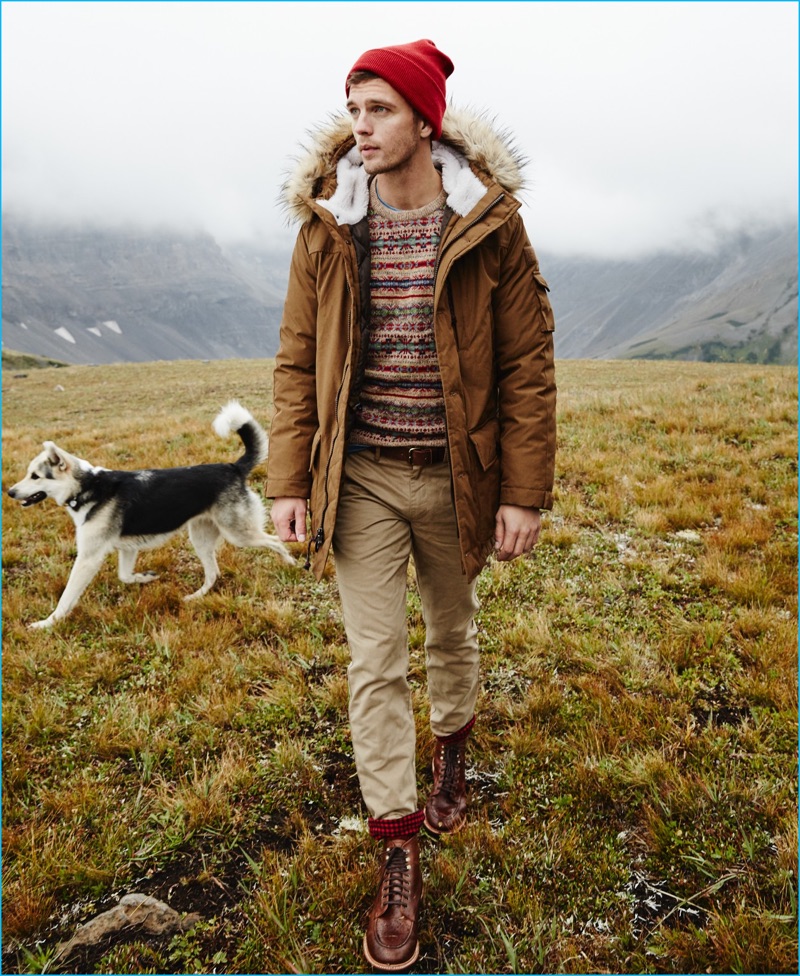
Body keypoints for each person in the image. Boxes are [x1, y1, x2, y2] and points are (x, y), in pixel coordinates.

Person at [267, 38, 556, 971]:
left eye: (380, 108)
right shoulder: (327, 226)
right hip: (359, 481)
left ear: (425, 121)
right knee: (373, 660)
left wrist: (523, 492)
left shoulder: (487, 225)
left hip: (454, 472)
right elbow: (296, 361)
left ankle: (454, 750)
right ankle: (398, 849)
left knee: (450, 631)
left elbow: (526, 366)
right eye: (354, 108)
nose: (362, 125)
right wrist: (286, 482)